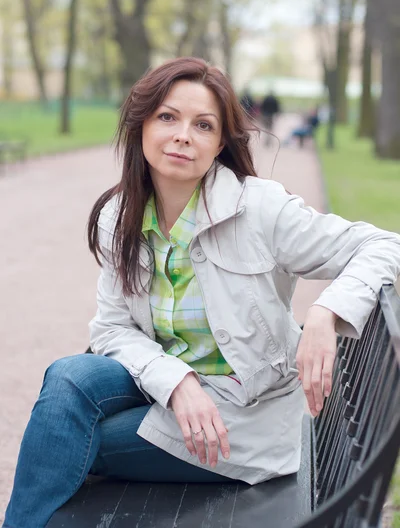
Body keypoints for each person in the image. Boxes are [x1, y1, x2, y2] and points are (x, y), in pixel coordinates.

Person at [4, 57, 400, 528]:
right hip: (163, 387)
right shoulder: (120, 215)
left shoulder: (259, 210)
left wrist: (326, 311)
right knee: (68, 378)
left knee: (64, 438)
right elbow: (112, 328)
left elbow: (384, 244)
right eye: (167, 117)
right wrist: (176, 383)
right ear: (142, 125)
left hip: (245, 416)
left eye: (203, 125)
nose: (182, 135)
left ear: (219, 144)